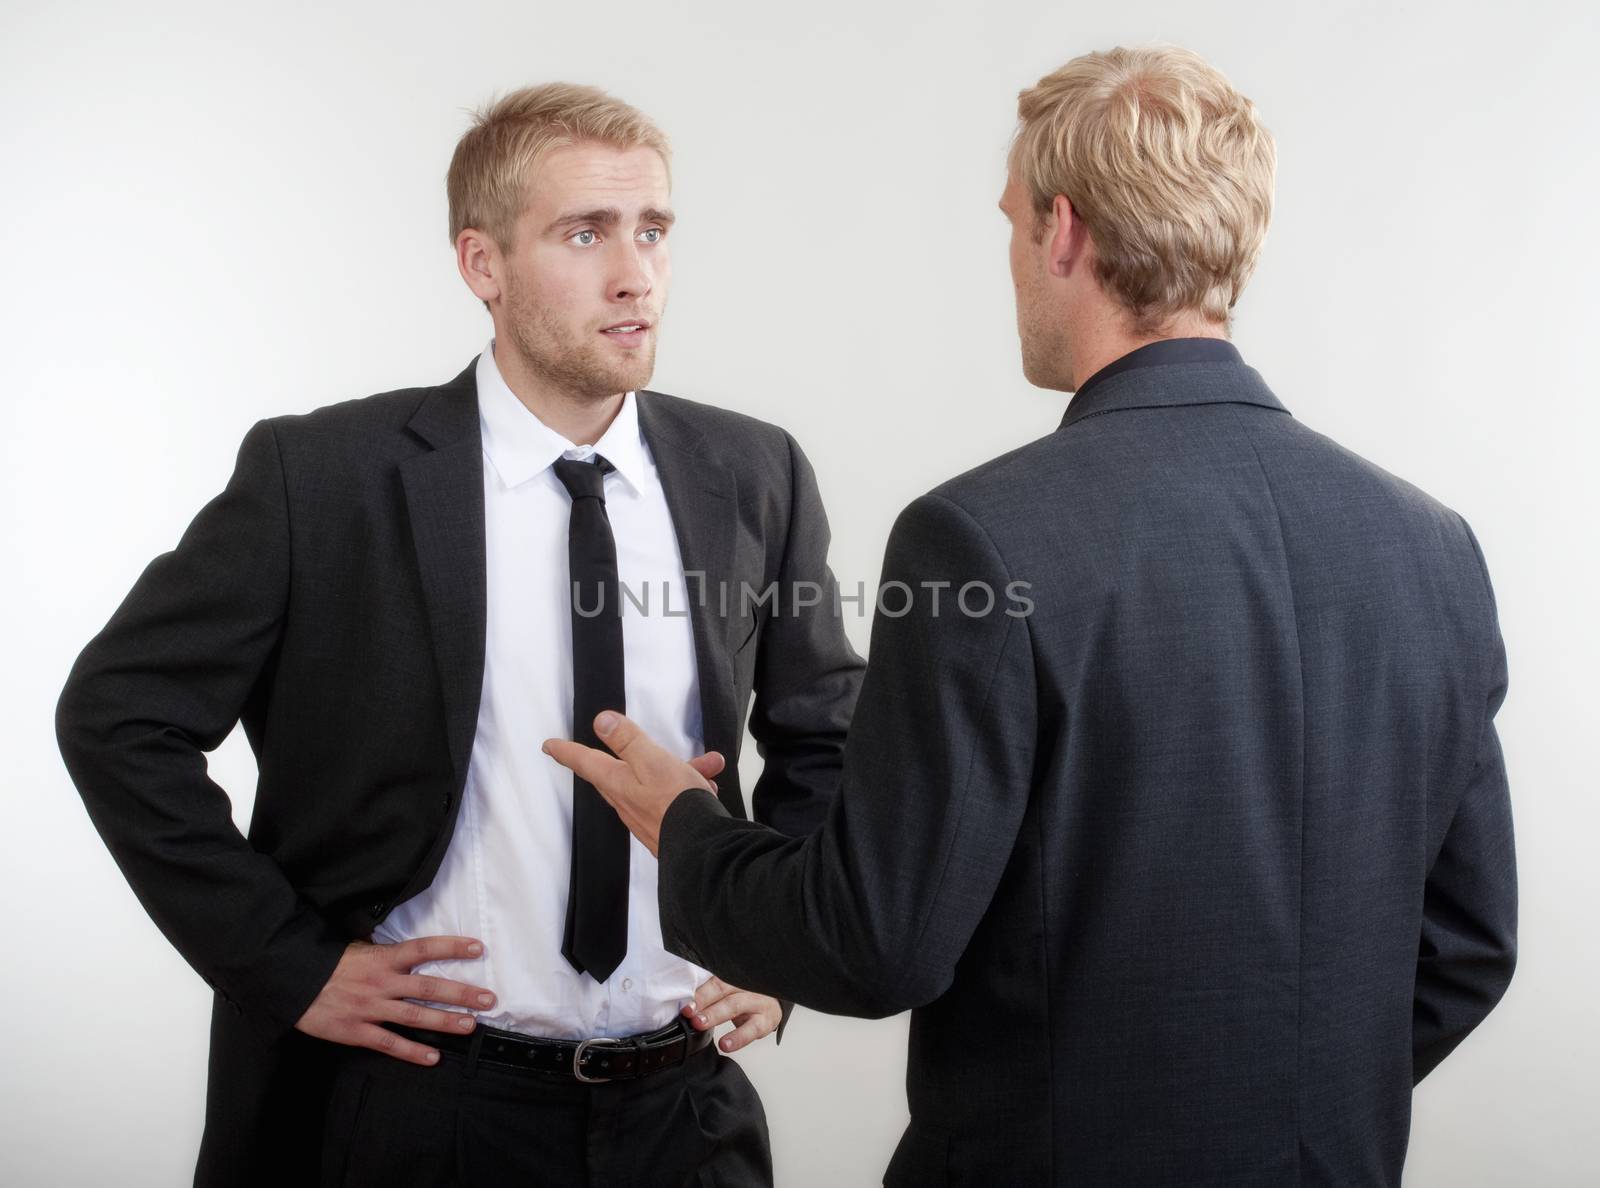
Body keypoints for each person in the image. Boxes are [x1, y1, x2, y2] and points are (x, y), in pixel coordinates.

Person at [543, 46, 1519, 1186]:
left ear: (1063, 232)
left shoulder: (978, 538)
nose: (1012, 259)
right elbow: (1469, 943)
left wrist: (688, 830)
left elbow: (877, 944)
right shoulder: (1431, 544)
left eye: (1011, 225)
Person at [55, 83, 863, 1187]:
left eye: (653, 230)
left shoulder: (751, 471)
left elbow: (826, 736)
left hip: (684, 1114)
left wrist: (788, 947)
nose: (635, 273)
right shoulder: (323, 478)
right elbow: (118, 716)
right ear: (481, 264)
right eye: (585, 233)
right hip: (417, 1109)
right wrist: (287, 966)